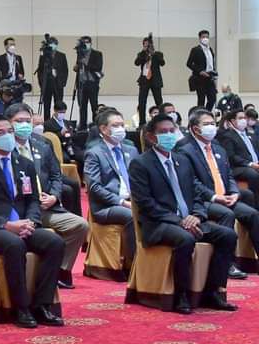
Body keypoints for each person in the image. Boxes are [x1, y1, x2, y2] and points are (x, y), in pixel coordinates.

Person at [129, 113, 238, 314]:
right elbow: (146, 204)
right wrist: (179, 221)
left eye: (172, 131)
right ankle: (181, 295)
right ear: (151, 137)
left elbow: (196, 194)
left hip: (190, 220)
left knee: (228, 235)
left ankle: (213, 291)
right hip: (159, 224)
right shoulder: (141, 164)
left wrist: (197, 215)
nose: (169, 135)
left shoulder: (182, 160)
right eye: (163, 132)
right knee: (185, 238)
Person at [0, 114, 65, 327]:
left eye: (10, 131)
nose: (8, 136)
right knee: (15, 244)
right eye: (1, 133)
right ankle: (21, 308)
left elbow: (33, 200)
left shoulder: (25, 164)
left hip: (22, 224)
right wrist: (6, 225)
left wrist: (31, 222)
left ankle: (42, 305)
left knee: (55, 242)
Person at [7, 104, 88, 289]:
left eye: (27, 121)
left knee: (80, 225)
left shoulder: (42, 144)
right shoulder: (5, 147)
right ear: (9, 123)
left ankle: (61, 270)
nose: (24, 125)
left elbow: (56, 175)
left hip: (47, 206)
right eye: (19, 121)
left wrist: (54, 196)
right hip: (20, 209)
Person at [177, 109, 259, 279]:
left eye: (213, 123)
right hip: (203, 200)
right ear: (195, 129)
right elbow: (191, 182)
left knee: (252, 214)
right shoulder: (185, 150)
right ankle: (227, 264)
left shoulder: (218, 148)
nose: (212, 127)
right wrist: (214, 197)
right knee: (226, 214)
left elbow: (228, 175)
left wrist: (234, 192)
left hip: (225, 196)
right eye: (206, 124)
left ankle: (251, 260)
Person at [84, 109, 139, 274]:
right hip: (106, 206)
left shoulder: (131, 150)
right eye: (115, 126)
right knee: (132, 216)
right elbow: (94, 187)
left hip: (133, 199)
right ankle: (133, 265)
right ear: (103, 129)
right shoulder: (94, 153)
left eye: (122, 125)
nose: (121, 129)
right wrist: (122, 202)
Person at [216, 109, 259, 203]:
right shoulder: (228, 136)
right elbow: (232, 157)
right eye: (240, 118)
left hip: (254, 164)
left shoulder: (250, 135)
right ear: (233, 121)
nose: (243, 120)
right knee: (253, 174)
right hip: (238, 167)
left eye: (245, 118)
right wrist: (250, 164)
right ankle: (256, 203)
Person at [74, 36, 103, 130]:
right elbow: (79, 66)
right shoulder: (80, 54)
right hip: (81, 83)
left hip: (92, 83)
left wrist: (86, 63)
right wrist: (77, 67)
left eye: (87, 42)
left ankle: (96, 125)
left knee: (94, 105)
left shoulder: (97, 54)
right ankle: (82, 125)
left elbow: (98, 67)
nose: (86, 44)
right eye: (84, 42)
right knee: (82, 106)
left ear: (90, 43)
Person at [36, 36, 68, 121]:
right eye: (51, 43)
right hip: (47, 84)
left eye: (55, 44)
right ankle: (47, 123)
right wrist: (41, 84)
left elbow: (65, 70)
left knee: (59, 105)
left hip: (58, 84)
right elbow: (40, 70)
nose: (53, 45)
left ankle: (59, 121)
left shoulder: (62, 55)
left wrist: (63, 83)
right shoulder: (44, 55)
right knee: (46, 105)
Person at [135, 35, 165, 126]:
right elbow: (136, 63)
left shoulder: (158, 54)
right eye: (145, 45)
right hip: (144, 81)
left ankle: (162, 120)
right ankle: (142, 122)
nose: (147, 46)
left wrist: (153, 53)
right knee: (142, 102)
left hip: (155, 81)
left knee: (159, 102)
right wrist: (144, 52)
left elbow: (162, 63)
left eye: (148, 45)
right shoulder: (141, 54)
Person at [187, 30, 218, 111]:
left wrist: (213, 72)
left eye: (207, 37)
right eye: (203, 37)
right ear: (200, 38)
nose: (205, 39)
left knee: (212, 98)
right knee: (201, 99)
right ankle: (200, 114)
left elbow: (211, 63)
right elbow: (189, 63)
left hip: (209, 77)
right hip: (200, 78)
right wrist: (200, 71)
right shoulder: (195, 50)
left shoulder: (210, 49)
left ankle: (207, 112)